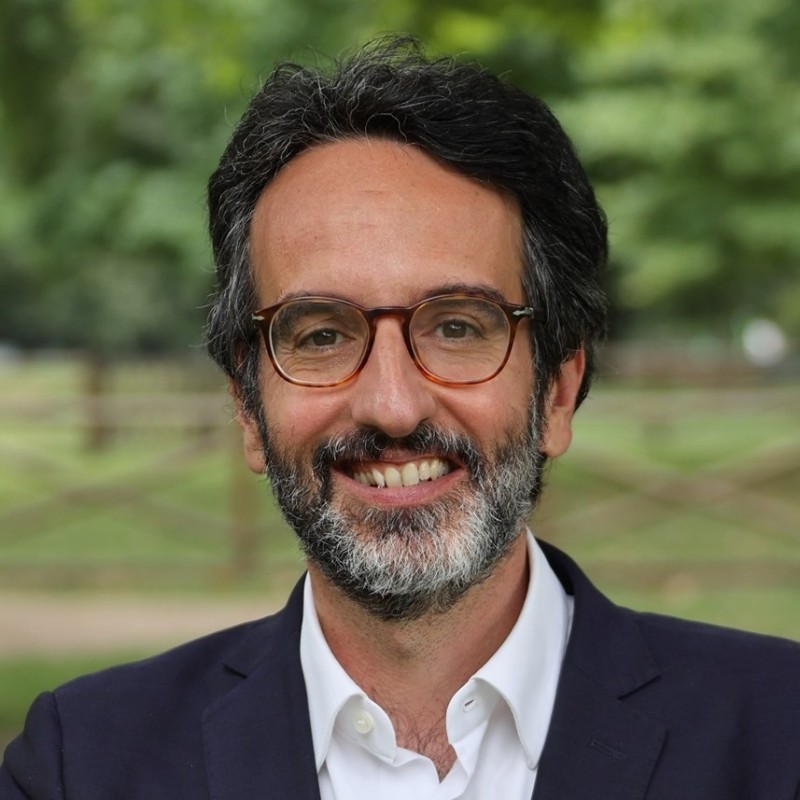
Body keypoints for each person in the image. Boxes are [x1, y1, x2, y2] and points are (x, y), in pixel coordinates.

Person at [2, 36, 798, 800]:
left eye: (457, 326)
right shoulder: (82, 765)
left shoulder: (781, 735)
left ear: (558, 390)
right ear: (246, 404)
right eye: (321, 335)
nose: (392, 404)